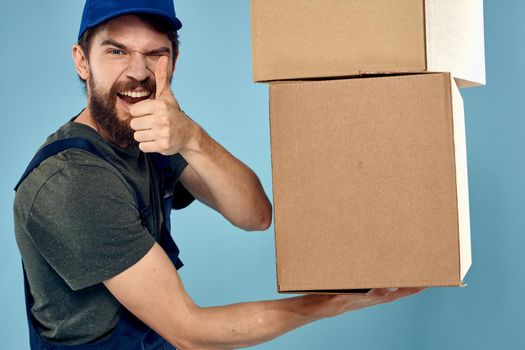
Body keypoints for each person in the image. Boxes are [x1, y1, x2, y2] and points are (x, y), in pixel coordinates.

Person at [13, 1, 424, 349]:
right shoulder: (71, 183)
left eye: (156, 53)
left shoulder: (153, 134)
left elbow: (254, 214)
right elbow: (187, 330)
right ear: (82, 61)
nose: (138, 72)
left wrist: (190, 136)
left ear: (174, 60)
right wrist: (336, 301)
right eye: (116, 51)